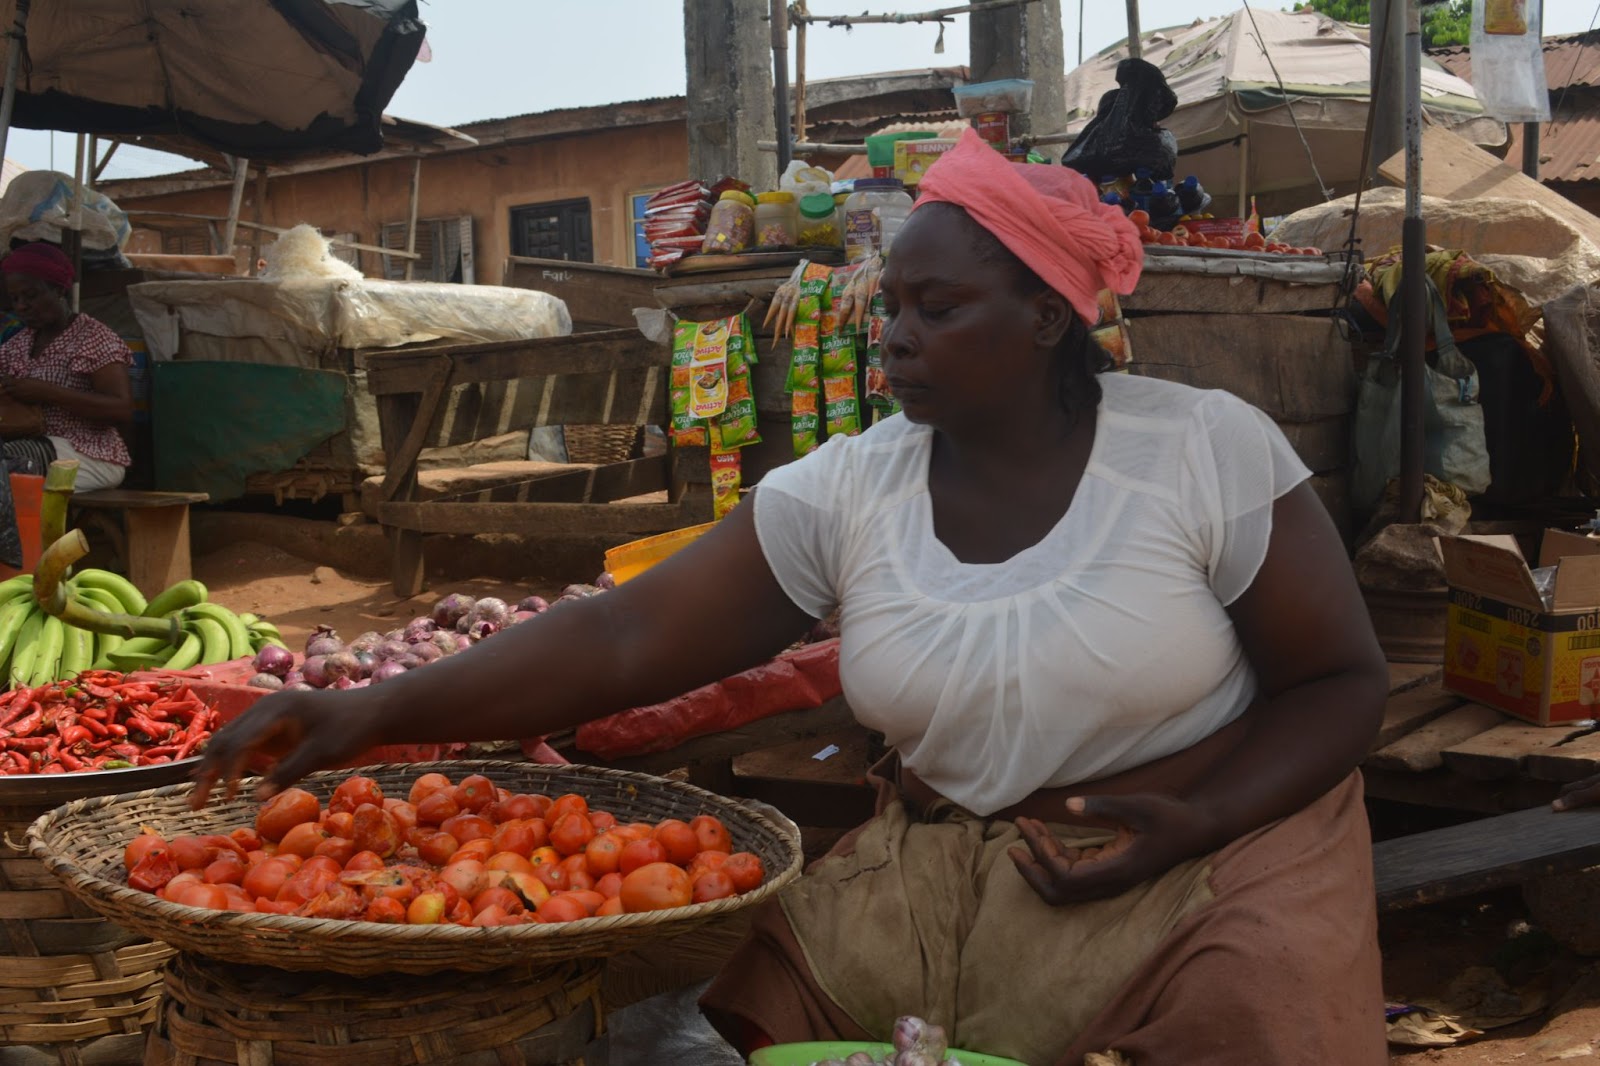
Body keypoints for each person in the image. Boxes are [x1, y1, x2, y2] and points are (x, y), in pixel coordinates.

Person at [195, 131, 1390, 1065]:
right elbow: (625, 632)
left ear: (1043, 317)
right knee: (789, 996)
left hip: (1207, 840)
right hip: (958, 858)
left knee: (1252, 1005)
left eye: (938, 309)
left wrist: (1205, 815)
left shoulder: (1201, 451)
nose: (896, 339)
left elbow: (1340, 682)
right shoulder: (851, 488)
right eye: (890, 308)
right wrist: (376, 712)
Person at [0, 242, 134, 489]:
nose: (21, 306)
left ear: (59, 289)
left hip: (89, 454)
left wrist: (46, 392)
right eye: (15, 298)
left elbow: (121, 408)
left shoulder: (93, 337)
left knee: (8, 467)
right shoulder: (15, 346)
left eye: (31, 296)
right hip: (32, 444)